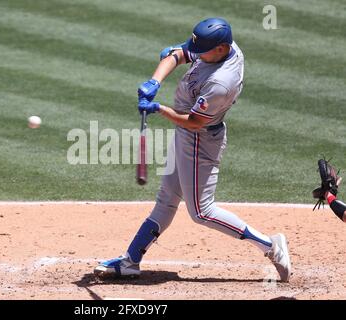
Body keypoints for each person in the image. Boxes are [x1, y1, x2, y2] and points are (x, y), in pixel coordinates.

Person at [94, 18, 291, 282]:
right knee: (166, 198)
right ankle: (130, 261)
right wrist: (154, 81)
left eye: (203, 51)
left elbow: (195, 121)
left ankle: (271, 245)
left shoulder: (221, 83)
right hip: (187, 134)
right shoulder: (219, 47)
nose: (196, 54)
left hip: (200, 138)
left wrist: (159, 109)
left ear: (221, 49)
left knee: (201, 211)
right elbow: (178, 54)